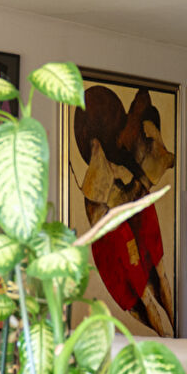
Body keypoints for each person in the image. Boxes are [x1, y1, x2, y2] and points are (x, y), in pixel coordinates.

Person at [73, 85, 175, 336]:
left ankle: (171, 336)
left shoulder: (120, 164)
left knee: (157, 278)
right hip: (114, 230)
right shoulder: (102, 173)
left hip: (124, 219)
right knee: (146, 292)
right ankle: (168, 338)